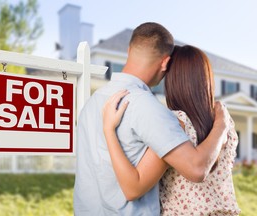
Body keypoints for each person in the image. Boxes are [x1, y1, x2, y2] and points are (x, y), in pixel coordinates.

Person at [74, 22, 230, 215]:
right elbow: (197, 169)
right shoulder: (148, 107)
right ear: (165, 63)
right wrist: (222, 125)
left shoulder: (92, 103)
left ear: (129, 49)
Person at [103, 45, 240, 215]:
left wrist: (108, 130)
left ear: (173, 80)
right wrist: (221, 125)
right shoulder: (224, 121)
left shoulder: (176, 123)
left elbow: (133, 188)